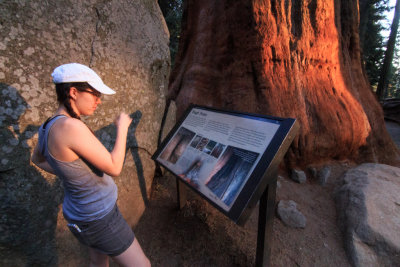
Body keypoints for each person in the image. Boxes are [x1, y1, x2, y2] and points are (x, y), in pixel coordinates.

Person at [31, 63, 150, 267]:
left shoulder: (47, 125)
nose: (99, 101)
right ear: (74, 92)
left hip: (80, 215)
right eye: (94, 94)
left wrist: (71, 174)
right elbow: (114, 167)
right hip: (100, 218)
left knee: (98, 261)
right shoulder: (71, 127)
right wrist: (122, 129)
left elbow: (38, 159)